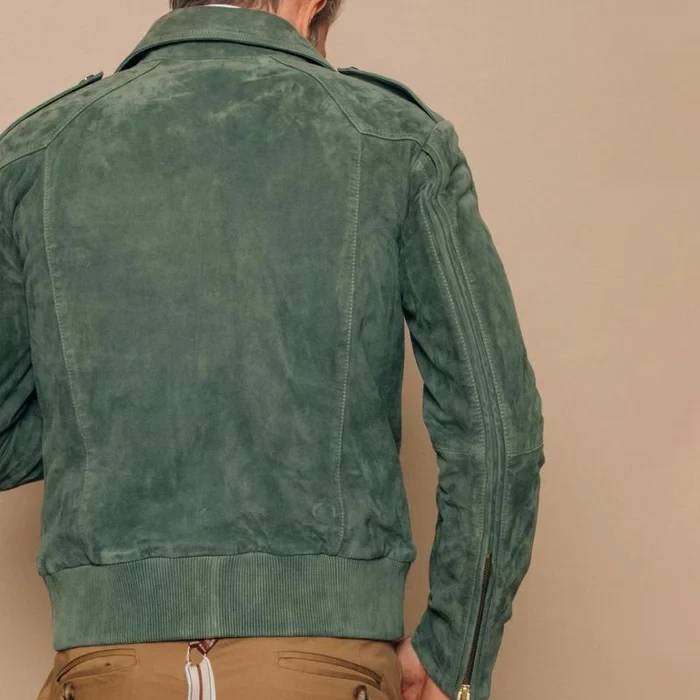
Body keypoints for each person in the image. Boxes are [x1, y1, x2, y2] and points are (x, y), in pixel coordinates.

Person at [0, 2, 546, 699]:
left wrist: (111, 404)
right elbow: (497, 432)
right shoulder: (396, 139)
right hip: (329, 667)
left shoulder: (37, 151)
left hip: (107, 667)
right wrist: (453, 654)